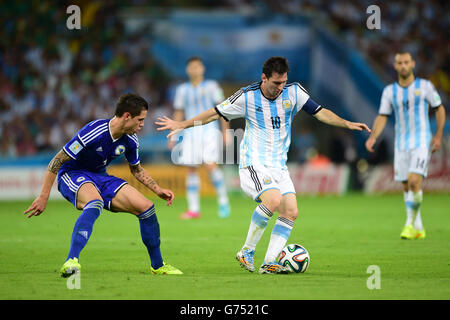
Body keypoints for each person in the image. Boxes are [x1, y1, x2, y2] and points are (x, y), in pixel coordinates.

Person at [156, 57, 370, 274]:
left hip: (279, 166)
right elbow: (214, 113)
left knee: (291, 211)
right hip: (253, 164)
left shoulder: (294, 92)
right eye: (276, 83)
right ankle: (246, 251)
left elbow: (320, 111)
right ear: (264, 78)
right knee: (274, 199)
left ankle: (268, 263)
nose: (281, 87)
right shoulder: (247, 96)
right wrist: (182, 124)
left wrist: (346, 123)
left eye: (284, 82)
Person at [24, 93, 183, 276]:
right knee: (95, 202)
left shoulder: (130, 140)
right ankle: (71, 261)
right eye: (140, 120)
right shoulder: (94, 131)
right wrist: (44, 196)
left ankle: (158, 265)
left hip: (100, 176)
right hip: (73, 174)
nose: (142, 125)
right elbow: (57, 160)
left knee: (146, 207)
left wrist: (157, 190)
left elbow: (136, 169)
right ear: (126, 116)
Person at [365, 52, 446, 240]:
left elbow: (439, 108)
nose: (403, 66)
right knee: (407, 186)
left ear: (413, 64)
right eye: (399, 63)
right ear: (395, 65)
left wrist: (438, 135)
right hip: (401, 144)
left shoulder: (425, 86)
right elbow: (383, 115)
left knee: (414, 181)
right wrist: (373, 137)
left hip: (421, 141)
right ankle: (419, 227)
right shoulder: (389, 91)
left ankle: (409, 224)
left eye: (406, 62)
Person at [170, 56, 230, 219]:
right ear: (187, 70)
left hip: (209, 131)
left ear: (202, 69)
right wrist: (173, 136)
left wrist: (226, 132)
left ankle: (224, 202)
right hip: (190, 132)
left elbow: (224, 109)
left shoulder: (212, 86)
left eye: (197, 67)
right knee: (191, 168)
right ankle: (194, 209)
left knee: (210, 166)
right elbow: (179, 112)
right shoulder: (182, 89)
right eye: (191, 67)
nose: (194, 70)